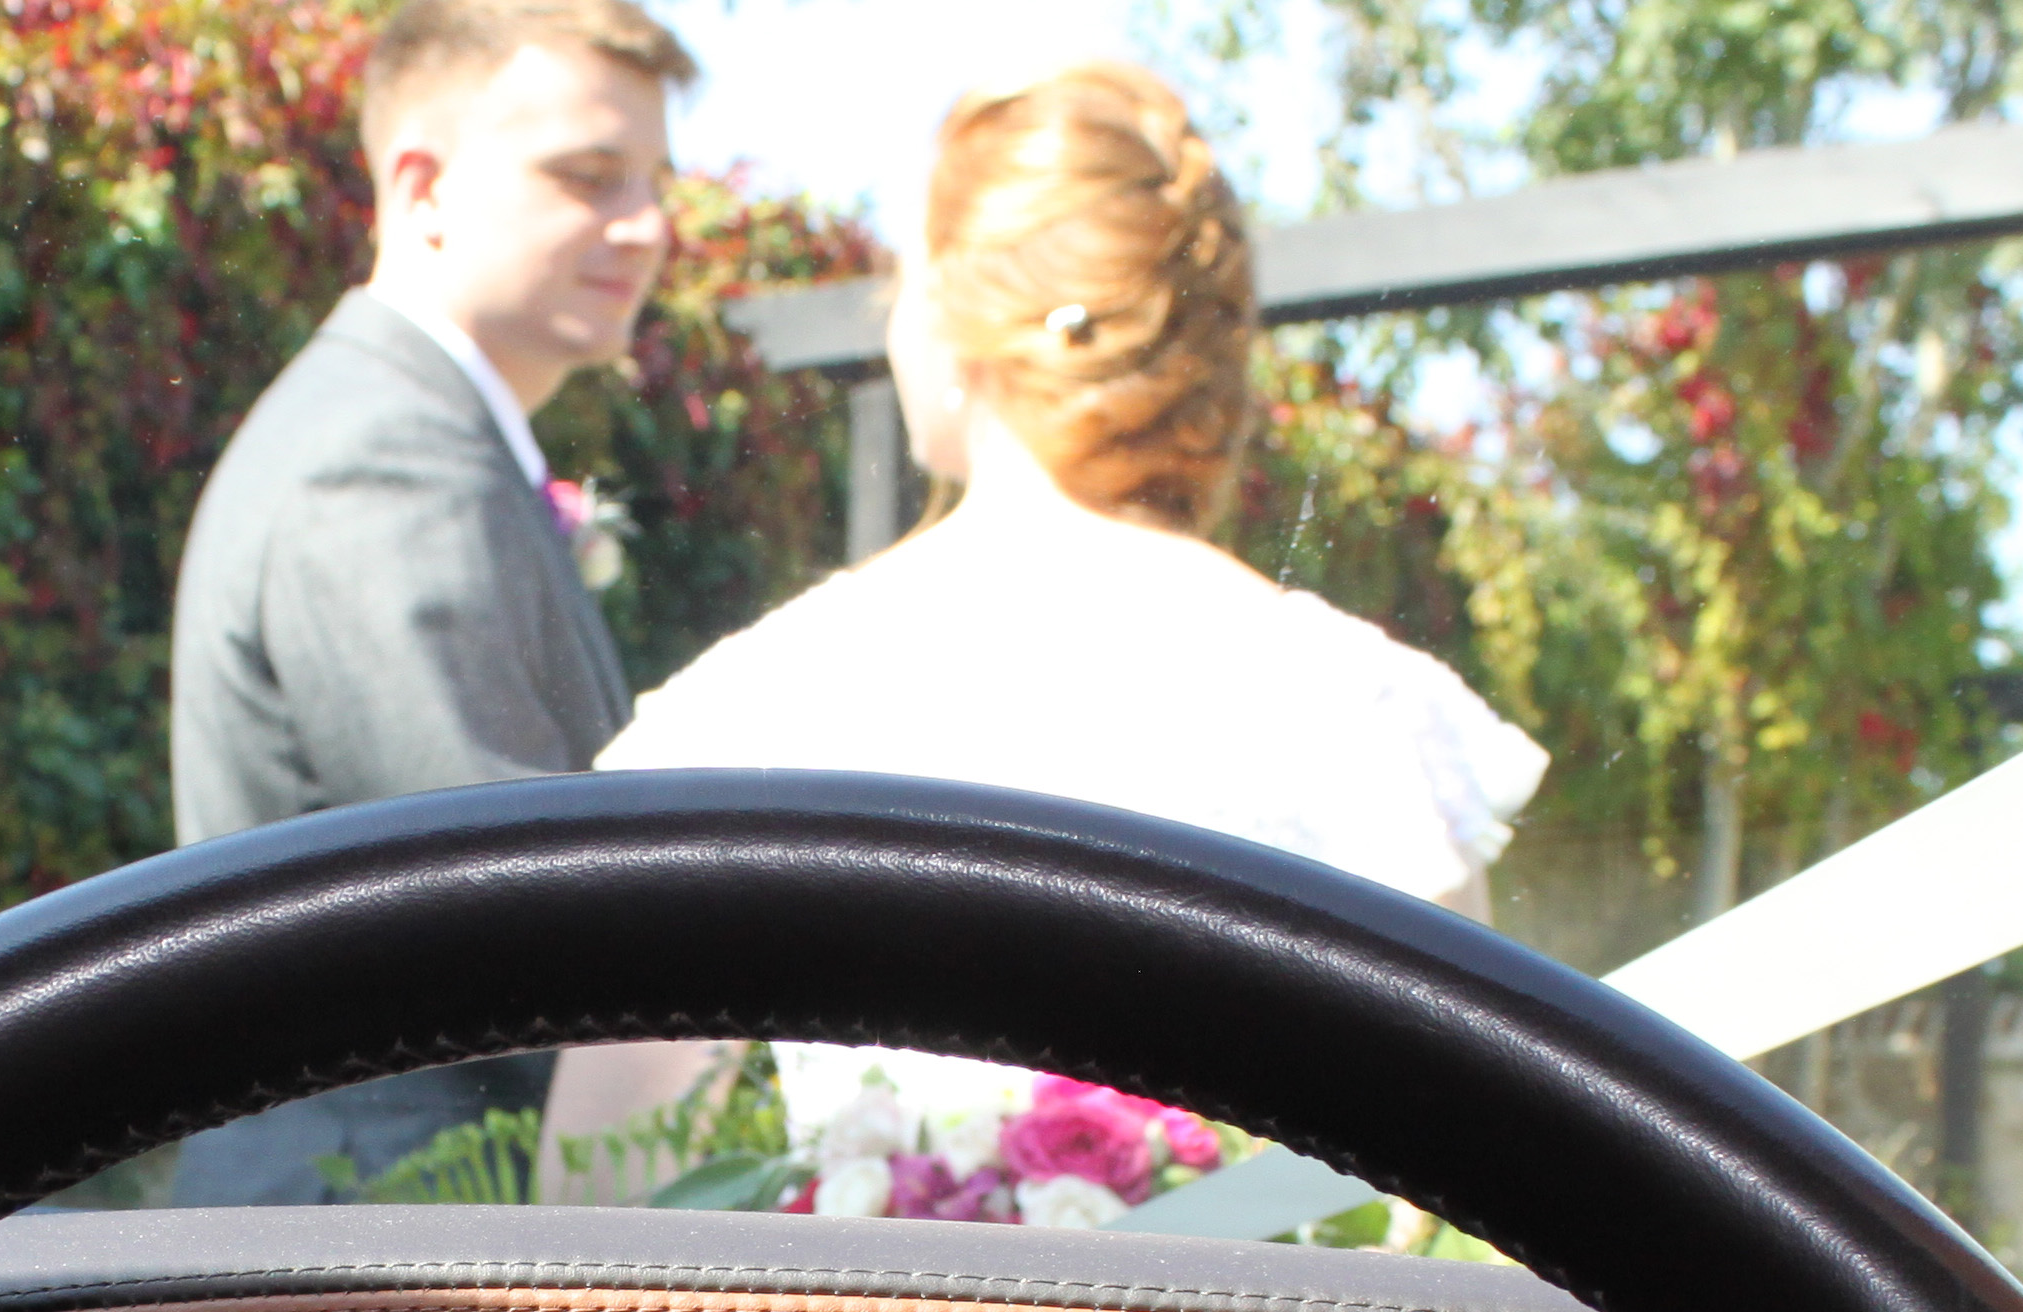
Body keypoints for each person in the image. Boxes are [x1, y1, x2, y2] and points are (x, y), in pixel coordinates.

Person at [575, 62, 1550, 1213]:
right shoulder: (1362, 710)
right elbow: (1480, 1190)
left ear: (949, 311)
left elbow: (611, 1185)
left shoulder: (752, 707)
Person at [159, 0, 691, 1204]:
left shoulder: (419, 435)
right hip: (379, 1243)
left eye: (655, 182)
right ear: (424, 187)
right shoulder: (383, 461)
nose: (647, 226)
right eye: (587, 176)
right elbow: (506, 912)